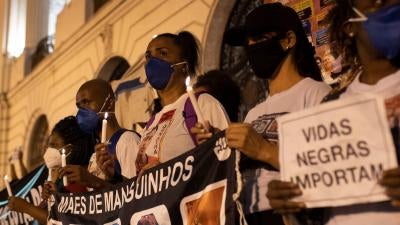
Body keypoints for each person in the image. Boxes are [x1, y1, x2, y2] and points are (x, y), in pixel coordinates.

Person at [267, 1, 400, 224]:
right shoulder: (331, 107)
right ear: (350, 26)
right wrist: (292, 202)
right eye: (377, 3)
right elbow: (318, 203)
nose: (391, 9)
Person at [222, 3, 331, 224]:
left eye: (259, 39)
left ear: (288, 40)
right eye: (248, 43)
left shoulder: (317, 94)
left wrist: (264, 150)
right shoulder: (254, 112)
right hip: (249, 213)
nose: (251, 48)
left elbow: (330, 171)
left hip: (289, 213)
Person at [136, 31, 229, 173]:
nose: (152, 61)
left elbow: (227, 161)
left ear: (184, 64)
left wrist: (167, 172)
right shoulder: (152, 123)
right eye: (149, 56)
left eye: (163, 53)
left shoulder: (203, 103)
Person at [8, 116, 95, 225]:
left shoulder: (80, 179)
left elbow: (61, 220)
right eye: (48, 145)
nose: (49, 150)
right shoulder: (60, 180)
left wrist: (26, 207)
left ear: (69, 149)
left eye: (54, 145)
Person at [71, 79, 140, 184]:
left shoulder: (127, 141)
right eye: (79, 106)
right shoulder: (95, 155)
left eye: (86, 102)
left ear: (109, 103)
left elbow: (136, 191)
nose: (81, 111)